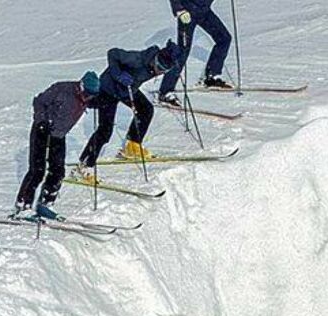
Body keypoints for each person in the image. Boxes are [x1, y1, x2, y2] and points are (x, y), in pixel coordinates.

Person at [76, 41, 178, 173]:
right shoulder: (137, 59)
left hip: (127, 91)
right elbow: (112, 53)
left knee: (146, 110)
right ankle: (84, 166)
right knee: (105, 131)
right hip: (108, 90)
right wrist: (118, 74)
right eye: (159, 67)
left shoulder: (155, 66)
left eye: (164, 71)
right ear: (155, 58)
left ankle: (132, 146)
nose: (159, 72)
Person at [14, 71, 101, 221]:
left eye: (91, 96)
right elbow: (39, 101)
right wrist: (42, 120)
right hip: (42, 130)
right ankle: (23, 206)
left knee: (58, 171)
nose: (88, 98)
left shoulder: (88, 97)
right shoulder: (62, 89)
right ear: (81, 86)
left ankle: (46, 204)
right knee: (37, 170)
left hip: (59, 135)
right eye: (87, 94)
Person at [157, 0, 233, 107]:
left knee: (224, 39)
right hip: (187, 13)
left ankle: (211, 76)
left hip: (204, 12)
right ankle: (165, 92)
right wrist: (179, 9)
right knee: (182, 52)